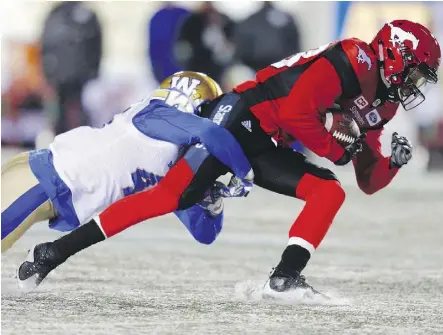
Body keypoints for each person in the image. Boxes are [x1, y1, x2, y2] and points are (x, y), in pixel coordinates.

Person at [18, 20, 439, 299]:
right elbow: (297, 113)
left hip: (268, 139)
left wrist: (393, 163)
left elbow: (367, 177)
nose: (417, 84)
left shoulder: (382, 103)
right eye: (418, 71)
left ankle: (284, 278)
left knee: (328, 193)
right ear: (395, 54)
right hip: (241, 113)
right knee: (170, 196)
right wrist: (334, 146)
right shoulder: (353, 58)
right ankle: (55, 252)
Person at [2, 71, 254, 262]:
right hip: (45, 177)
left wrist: (212, 200)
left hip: (55, 188)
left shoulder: (175, 156)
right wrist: (245, 172)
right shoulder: (156, 113)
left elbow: (204, 234)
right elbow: (210, 131)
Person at [41, 1, 102, 134]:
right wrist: (48, 75)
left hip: (81, 81)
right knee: (60, 116)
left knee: (77, 114)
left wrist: (92, 74)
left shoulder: (86, 15)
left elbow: (95, 48)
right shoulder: (55, 14)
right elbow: (46, 47)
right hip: (60, 80)